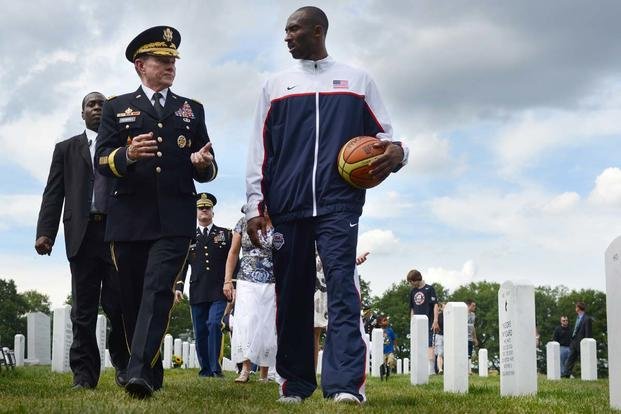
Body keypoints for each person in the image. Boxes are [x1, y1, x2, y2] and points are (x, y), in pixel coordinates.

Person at [245, 6, 408, 405]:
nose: (286, 37)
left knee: (342, 290)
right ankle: (295, 385)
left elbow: (389, 138)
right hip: (288, 205)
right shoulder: (275, 85)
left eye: (293, 29)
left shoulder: (357, 81)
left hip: (340, 205)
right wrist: (254, 205)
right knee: (293, 294)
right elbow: (259, 152)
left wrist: (399, 154)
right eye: (285, 31)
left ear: (317, 31)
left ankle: (345, 385)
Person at [95, 26, 217, 399]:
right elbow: (102, 160)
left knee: (157, 290)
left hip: (175, 218)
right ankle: (150, 369)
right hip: (129, 217)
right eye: (162, 60)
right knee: (131, 300)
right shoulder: (117, 107)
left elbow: (209, 165)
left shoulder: (191, 109)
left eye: (172, 60)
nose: (170, 66)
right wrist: (128, 156)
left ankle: (136, 372)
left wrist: (201, 163)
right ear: (140, 65)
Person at [35, 92, 129, 390]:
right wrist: (45, 233)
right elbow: (54, 193)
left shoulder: (123, 146)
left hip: (117, 235)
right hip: (82, 236)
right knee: (83, 311)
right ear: (83, 112)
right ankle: (84, 376)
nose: (98, 108)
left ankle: (125, 368)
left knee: (119, 307)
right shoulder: (66, 149)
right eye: (92, 104)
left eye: (102, 104)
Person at [175, 193, 232, 378]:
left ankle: (216, 368)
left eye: (207, 207)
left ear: (213, 212)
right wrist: (178, 287)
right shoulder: (189, 237)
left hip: (219, 290)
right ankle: (205, 369)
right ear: (196, 212)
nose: (204, 210)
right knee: (200, 331)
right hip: (198, 290)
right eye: (201, 208)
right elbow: (182, 265)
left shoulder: (225, 234)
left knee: (214, 324)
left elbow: (234, 260)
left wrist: (233, 283)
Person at [223, 208, 276, 383]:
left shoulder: (280, 223)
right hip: (246, 278)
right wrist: (227, 280)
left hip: (273, 281)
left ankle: (264, 373)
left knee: (267, 325)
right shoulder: (244, 221)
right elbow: (233, 252)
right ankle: (245, 370)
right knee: (247, 322)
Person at [314, 251, 369, 372]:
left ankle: (336, 372)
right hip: (311, 285)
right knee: (312, 333)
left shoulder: (331, 237)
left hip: (331, 287)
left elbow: (340, 259)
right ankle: (310, 375)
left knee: (334, 331)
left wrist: (354, 261)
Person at [407, 269, 440, 375]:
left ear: (417, 279)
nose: (411, 284)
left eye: (411, 282)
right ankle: (419, 367)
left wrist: (435, 320)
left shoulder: (429, 289)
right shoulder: (413, 292)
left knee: (430, 345)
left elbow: (435, 304)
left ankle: (430, 369)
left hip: (429, 322)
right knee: (418, 346)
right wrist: (412, 322)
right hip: (417, 324)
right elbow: (412, 308)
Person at [563, 302, 593, 378]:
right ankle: (566, 374)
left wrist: (586, 343)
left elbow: (588, 332)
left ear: (579, 308)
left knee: (583, 359)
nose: (575, 309)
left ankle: (587, 375)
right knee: (570, 358)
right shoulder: (577, 318)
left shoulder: (587, 319)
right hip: (574, 342)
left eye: (576, 307)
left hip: (582, 343)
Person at [378, 315, 397, 380]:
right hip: (382, 351)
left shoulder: (390, 330)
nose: (386, 321)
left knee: (390, 361)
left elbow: (394, 339)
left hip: (390, 350)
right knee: (382, 363)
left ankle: (389, 373)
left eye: (386, 320)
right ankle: (383, 373)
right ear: (380, 323)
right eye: (384, 320)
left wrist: (395, 347)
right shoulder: (378, 331)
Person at [466, 299, 478, 372]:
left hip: (470, 338)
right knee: (465, 354)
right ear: (468, 305)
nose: (474, 307)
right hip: (463, 337)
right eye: (473, 305)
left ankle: (469, 370)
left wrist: (475, 338)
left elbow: (473, 326)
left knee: (469, 354)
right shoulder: (462, 313)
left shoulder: (473, 315)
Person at [433, 303, 445, 374]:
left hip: (448, 336)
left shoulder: (450, 316)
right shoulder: (438, 317)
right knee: (440, 353)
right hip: (439, 336)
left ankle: (443, 368)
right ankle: (440, 369)